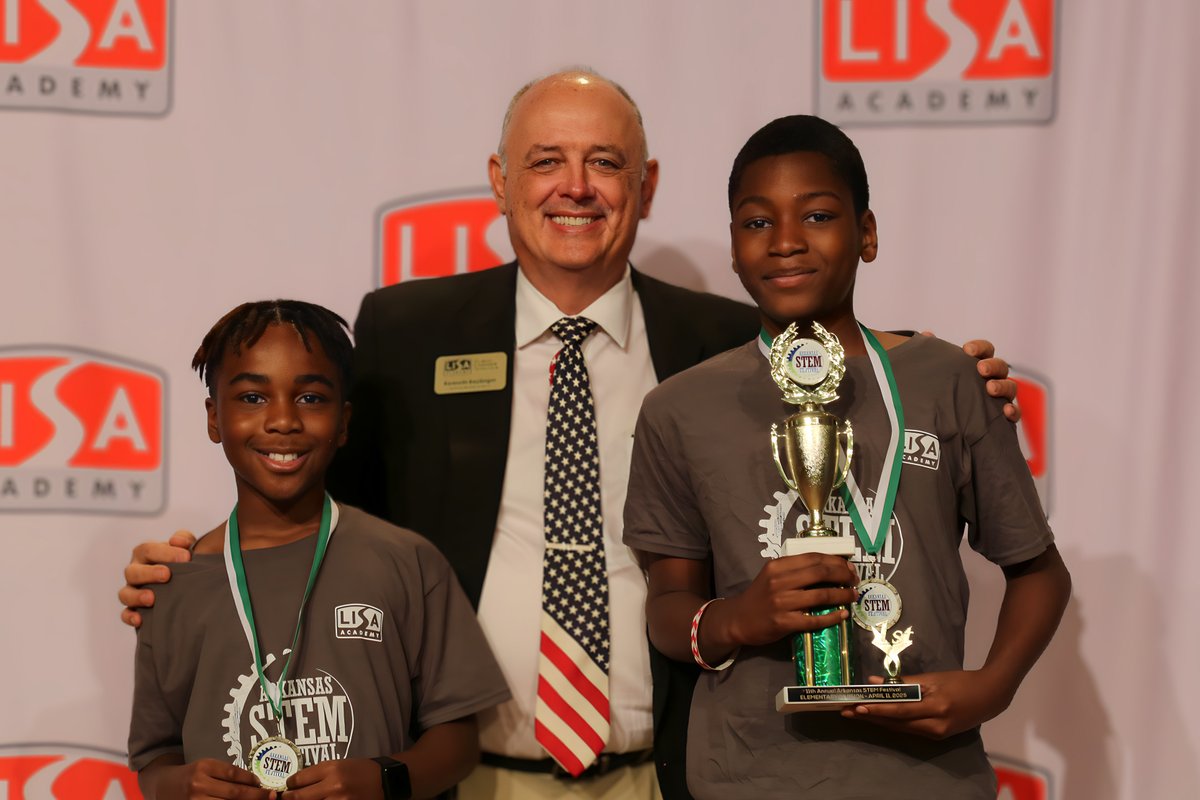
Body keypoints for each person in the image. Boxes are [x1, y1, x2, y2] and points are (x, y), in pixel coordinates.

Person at [119, 72, 1021, 800]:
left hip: (672, 771)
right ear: (500, 180)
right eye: (546, 160)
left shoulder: (716, 340)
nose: (576, 187)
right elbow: (317, 504)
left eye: (605, 161)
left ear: (648, 185)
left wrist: (953, 375)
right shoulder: (406, 329)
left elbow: (835, 358)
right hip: (464, 776)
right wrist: (194, 563)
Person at [622, 115, 1072, 799]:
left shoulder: (947, 378)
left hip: (929, 776)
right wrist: (739, 618)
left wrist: (991, 687)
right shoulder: (679, 409)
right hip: (749, 776)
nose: (787, 241)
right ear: (735, 250)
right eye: (756, 223)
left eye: (819, 214)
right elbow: (667, 606)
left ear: (867, 234)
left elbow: (1039, 571)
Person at [127, 300, 510, 800]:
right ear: (214, 417)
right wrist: (178, 785)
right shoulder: (171, 581)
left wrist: (386, 778)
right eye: (252, 398)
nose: (283, 420)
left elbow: (458, 740)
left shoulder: (407, 561)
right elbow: (154, 756)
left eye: (310, 398)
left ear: (344, 421)